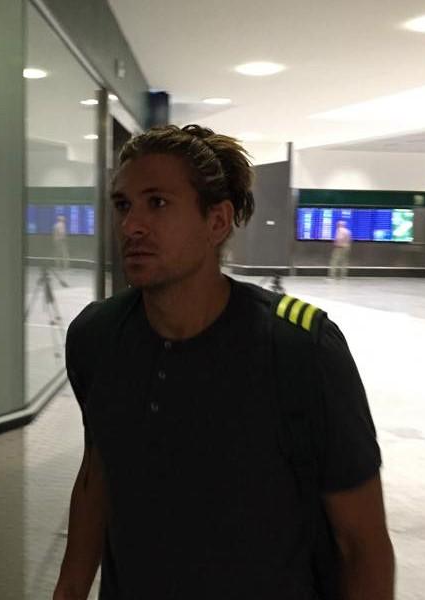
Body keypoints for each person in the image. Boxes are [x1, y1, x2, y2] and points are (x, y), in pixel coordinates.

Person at [53, 125, 394, 599]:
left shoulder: (301, 350)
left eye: (157, 203)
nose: (131, 225)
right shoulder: (97, 336)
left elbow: (363, 545)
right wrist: (69, 589)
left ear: (217, 221)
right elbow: (98, 472)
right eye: (123, 205)